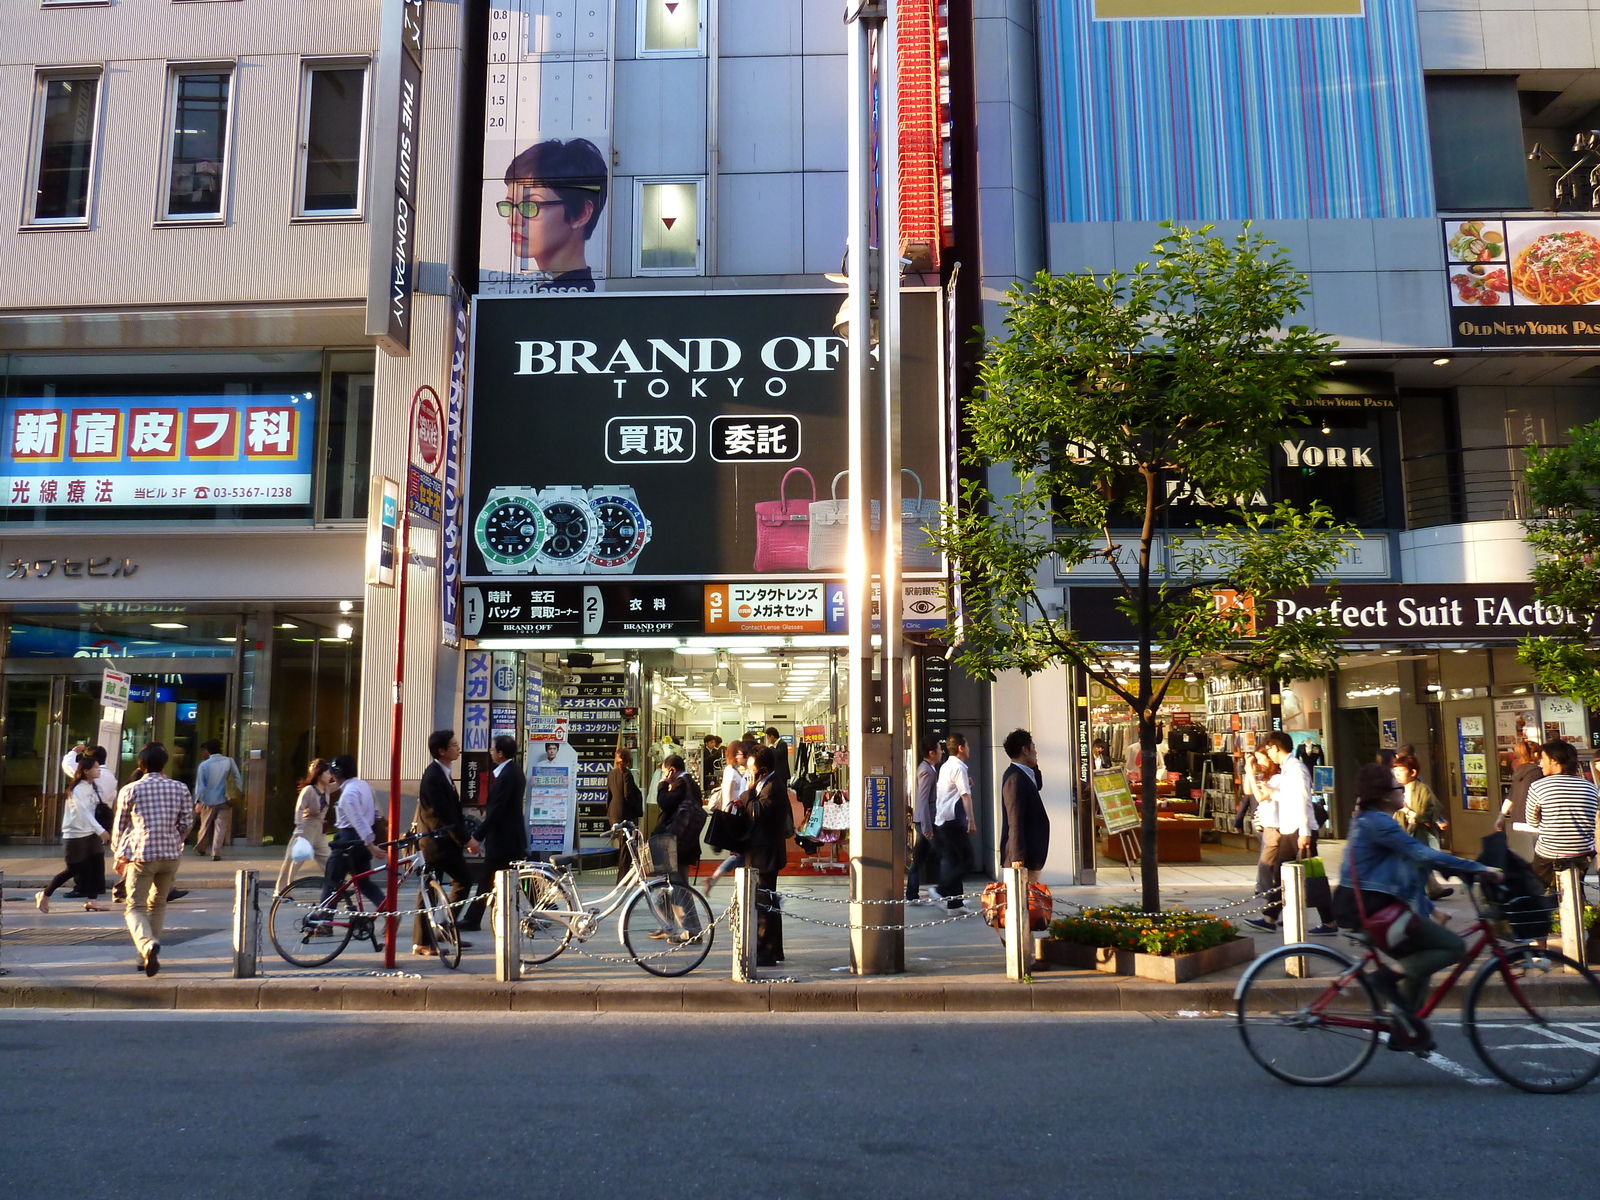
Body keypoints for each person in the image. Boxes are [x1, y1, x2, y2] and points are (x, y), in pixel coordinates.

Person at [1334, 762, 1502, 1054]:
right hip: (1372, 909)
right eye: (1397, 787)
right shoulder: (1379, 822)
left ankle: (1405, 1028)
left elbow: (1410, 867)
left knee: (1419, 959)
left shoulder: (1370, 819)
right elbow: (1421, 852)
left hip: (1368, 904)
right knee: (1451, 948)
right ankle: (1385, 980)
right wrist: (1479, 868)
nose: (1403, 791)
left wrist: (1443, 884)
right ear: (1386, 795)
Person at [111, 743, 192, 976]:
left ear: (141, 764)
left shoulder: (130, 789)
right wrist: (176, 839)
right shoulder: (179, 788)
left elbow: (120, 826)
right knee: (157, 904)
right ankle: (143, 956)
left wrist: (119, 854)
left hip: (141, 855)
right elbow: (186, 822)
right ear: (164, 764)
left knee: (134, 906)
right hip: (170, 855)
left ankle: (146, 944)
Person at [1246, 731, 1334, 935]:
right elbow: (1288, 796)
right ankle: (1269, 917)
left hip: (1299, 830)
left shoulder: (1296, 769)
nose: (1268, 753)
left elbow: (1302, 800)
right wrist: (1273, 793)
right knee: (1280, 873)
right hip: (1289, 829)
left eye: (1268, 748)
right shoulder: (1288, 768)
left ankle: (1329, 922)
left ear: (1276, 747)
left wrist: (1304, 833)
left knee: (1313, 876)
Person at [499, 138, 608, 290]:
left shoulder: (572, 303)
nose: (512, 220)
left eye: (531, 206)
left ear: (581, 214)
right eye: (510, 205)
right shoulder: (542, 296)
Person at [413, 731, 475, 957]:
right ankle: (421, 942)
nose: (458, 748)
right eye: (454, 745)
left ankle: (445, 927)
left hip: (445, 842)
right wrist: (467, 839)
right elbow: (444, 814)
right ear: (441, 750)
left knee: (463, 882)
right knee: (428, 889)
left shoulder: (443, 773)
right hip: (435, 843)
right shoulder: (433, 776)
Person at [461, 736, 528, 932]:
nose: (490, 753)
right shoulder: (510, 772)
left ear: (500, 753)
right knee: (497, 878)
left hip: (504, 838)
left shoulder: (508, 775)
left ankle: (472, 919)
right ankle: (472, 919)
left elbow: (497, 810)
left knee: (493, 878)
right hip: (507, 837)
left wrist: (478, 835)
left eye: (492, 750)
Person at [37, 753, 113, 913]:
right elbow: (83, 812)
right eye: (96, 768)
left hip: (91, 832)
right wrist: (101, 831)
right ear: (86, 770)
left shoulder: (93, 786)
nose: (99, 771)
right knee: (73, 869)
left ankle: (92, 900)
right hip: (76, 833)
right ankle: (45, 894)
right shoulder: (77, 789)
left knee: (98, 865)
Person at [1524, 739, 1599, 896]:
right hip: (1583, 853)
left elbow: (1531, 821)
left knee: (1537, 887)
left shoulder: (1538, 787)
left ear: (1555, 761)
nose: (1540, 763)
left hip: (1550, 853)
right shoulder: (1590, 787)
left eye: (1543, 759)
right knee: (1578, 888)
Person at [735, 745, 787, 966]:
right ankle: (773, 949)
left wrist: (747, 794)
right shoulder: (764, 784)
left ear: (763, 770)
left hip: (766, 854)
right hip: (759, 852)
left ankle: (766, 951)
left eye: (751, 769)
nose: (748, 773)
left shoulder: (772, 787)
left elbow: (759, 813)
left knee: (764, 903)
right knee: (765, 902)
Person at [321, 754, 386, 911]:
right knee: (364, 882)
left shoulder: (348, 794)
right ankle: (388, 909)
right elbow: (377, 813)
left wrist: (371, 845)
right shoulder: (364, 785)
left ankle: (324, 921)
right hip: (363, 840)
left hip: (348, 839)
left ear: (337, 773)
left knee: (332, 880)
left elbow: (358, 821)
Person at [652, 754, 705, 939]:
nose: (664, 775)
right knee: (666, 887)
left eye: (665, 771)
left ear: (672, 770)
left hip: (676, 845)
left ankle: (692, 931)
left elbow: (665, 803)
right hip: (680, 844)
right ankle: (667, 925)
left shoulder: (682, 784)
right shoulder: (687, 784)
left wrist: (662, 785)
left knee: (678, 888)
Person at [58, 743, 115, 900]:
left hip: (89, 818)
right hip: (102, 814)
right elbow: (112, 795)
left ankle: (82, 887)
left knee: (82, 857)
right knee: (96, 855)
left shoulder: (86, 777)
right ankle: (98, 886)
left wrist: (73, 752)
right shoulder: (111, 775)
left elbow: (68, 765)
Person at [1391, 753, 1452, 900]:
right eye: (1395, 771)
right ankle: (1432, 889)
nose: (1397, 774)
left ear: (1413, 772)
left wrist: (1414, 814)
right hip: (1403, 831)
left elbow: (1432, 809)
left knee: (1417, 861)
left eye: (1401, 770)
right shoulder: (1396, 789)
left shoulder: (1422, 789)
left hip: (1418, 832)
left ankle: (1424, 891)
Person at [275, 758, 335, 894]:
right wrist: (299, 828)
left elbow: (340, 784)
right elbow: (299, 808)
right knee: (294, 860)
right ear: (319, 774)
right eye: (327, 773)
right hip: (306, 827)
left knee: (328, 860)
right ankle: (282, 890)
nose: (330, 776)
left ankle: (335, 888)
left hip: (319, 829)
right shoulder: (309, 790)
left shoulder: (326, 789)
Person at [1000, 729, 1050, 886]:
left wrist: (1034, 765)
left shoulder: (1025, 774)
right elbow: (1014, 819)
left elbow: (1039, 783)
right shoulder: (1015, 779)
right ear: (1024, 749)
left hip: (1031, 853)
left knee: (1029, 902)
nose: (1036, 752)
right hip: (1024, 856)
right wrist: (1017, 856)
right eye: (1033, 747)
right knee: (1024, 903)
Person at [933, 733, 976, 911]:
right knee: (967, 861)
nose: (968, 749)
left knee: (954, 860)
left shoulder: (945, 766)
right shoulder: (959, 767)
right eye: (967, 745)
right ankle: (941, 890)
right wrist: (971, 820)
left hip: (942, 818)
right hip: (953, 820)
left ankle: (955, 903)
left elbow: (951, 791)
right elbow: (965, 797)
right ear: (960, 748)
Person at [704, 741, 749, 895]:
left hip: (737, 815)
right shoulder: (731, 771)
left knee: (740, 855)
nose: (740, 756)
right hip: (735, 816)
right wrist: (729, 820)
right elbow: (729, 797)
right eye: (738, 753)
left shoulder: (735, 770)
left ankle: (716, 879)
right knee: (740, 854)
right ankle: (719, 879)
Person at [191, 739, 242, 860]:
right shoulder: (229, 761)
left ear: (208, 750)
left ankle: (201, 848)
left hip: (208, 800)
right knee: (221, 826)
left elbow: (200, 785)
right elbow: (237, 778)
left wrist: (198, 801)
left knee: (205, 825)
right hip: (225, 799)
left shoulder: (204, 765)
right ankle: (216, 852)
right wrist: (238, 792)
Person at [1496, 739, 1543, 861]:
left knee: (1527, 857)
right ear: (1536, 754)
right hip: (1534, 821)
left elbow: (1511, 796)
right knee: (1540, 857)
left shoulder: (1519, 772)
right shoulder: (1538, 772)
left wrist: (1501, 816)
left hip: (1517, 820)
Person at [907, 739, 942, 900]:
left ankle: (912, 894)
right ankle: (944, 892)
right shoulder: (927, 771)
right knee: (946, 855)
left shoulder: (928, 768)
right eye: (939, 749)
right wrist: (928, 827)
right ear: (931, 753)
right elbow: (923, 799)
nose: (942, 752)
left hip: (924, 821)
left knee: (919, 858)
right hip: (926, 821)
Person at [606, 748, 644, 881]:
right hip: (625, 813)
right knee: (626, 848)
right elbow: (628, 795)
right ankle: (623, 877)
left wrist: (609, 812)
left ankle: (623, 877)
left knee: (623, 845)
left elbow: (609, 795)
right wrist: (638, 809)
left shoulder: (611, 774)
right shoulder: (626, 774)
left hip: (614, 812)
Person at [764, 726, 791, 796]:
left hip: (782, 774)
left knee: (782, 793)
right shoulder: (773, 745)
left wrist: (771, 747)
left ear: (772, 736)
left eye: (768, 737)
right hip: (775, 773)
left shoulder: (783, 743)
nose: (767, 739)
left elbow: (778, 754)